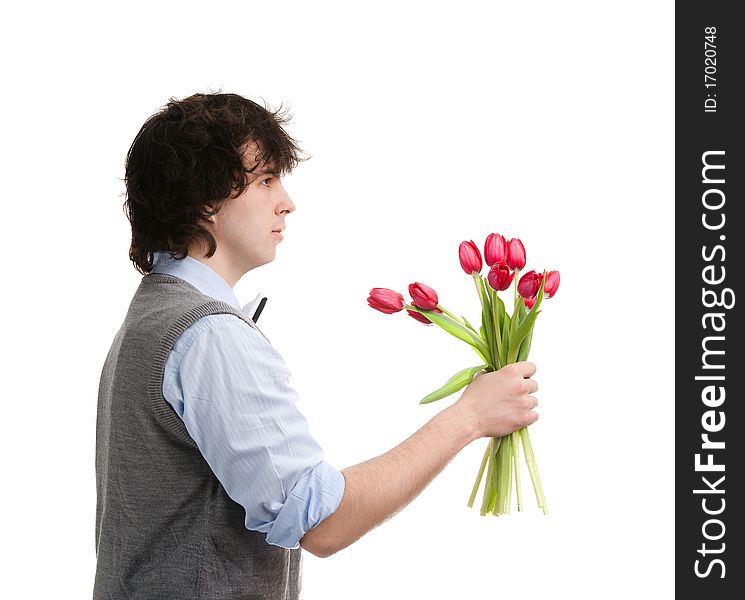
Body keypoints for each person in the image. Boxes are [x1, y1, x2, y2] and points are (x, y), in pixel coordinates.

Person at [94, 92, 540, 599]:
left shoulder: (154, 313)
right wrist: (469, 418)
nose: (287, 201)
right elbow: (323, 524)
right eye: (265, 180)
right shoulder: (209, 336)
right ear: (205, 202)